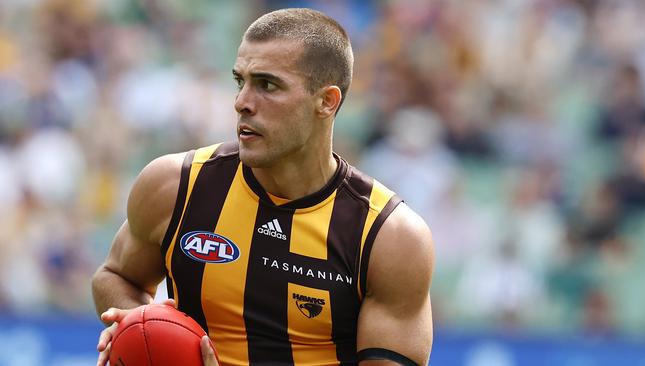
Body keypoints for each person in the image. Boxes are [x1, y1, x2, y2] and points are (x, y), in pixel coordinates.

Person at [93, 8, 434, 366]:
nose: (241, 102)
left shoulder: (389, 237)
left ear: (326, 101)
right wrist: (140, 331)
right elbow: (117, 275)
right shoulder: (174, 185)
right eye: (241, 81)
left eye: (267, 85)